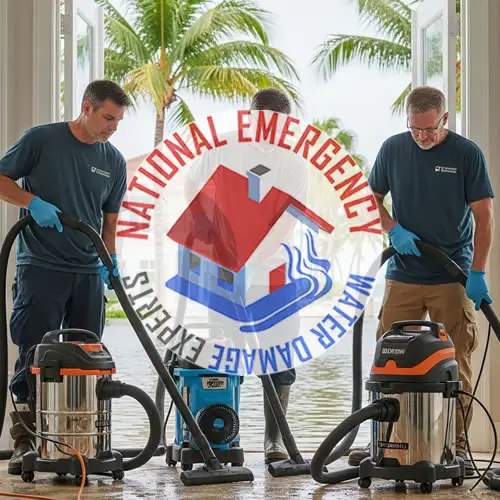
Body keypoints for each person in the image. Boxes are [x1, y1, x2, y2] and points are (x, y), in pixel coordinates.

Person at [347, 86, 494, 475]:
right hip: (403, 273)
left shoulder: (466, 154)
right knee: (388, 361)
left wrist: (477, 272)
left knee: (455, 364)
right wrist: (392, 228)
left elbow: (484, 216)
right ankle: (382, 440)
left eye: (428, 130)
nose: (422, 137)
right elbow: (371, 197)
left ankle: (455, 447)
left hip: (452, 274)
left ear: (444, 119)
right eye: (415, 129)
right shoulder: (393, 149)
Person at [0, 79, 131, 474]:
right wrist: (31, 201)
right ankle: (26, 441)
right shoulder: (42, 140)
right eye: (108, 117)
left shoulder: (114, 161)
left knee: (83, 359)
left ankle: (77, 441)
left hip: (88, 271)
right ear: (86, 108)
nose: (112, 127)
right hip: (42, 266)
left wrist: (111, 262)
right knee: (32, 354)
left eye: (119, 120)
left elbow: (109, 223)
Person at [182, 88, 307, 464]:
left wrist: (253, 259)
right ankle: (218, 436)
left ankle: (275, 441)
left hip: (274, 273)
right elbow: (193, 184)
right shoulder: (224, 146)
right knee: (223, 352)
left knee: (280, 358)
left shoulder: (293, 163)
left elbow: (288, 220)